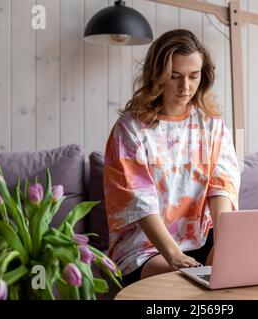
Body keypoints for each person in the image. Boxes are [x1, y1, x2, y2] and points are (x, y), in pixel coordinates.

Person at [103, 29, 241, 287]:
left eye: (194, 76)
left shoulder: (212, 125)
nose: (185, 87)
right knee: (182, 284)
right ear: (157, 76)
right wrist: (174, 254)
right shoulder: (130, 129)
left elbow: (221, 187)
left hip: (200, 240)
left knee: (241, 272)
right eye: (175, 76)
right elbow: (140, 203)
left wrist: (225, 245)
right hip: (144, 249)